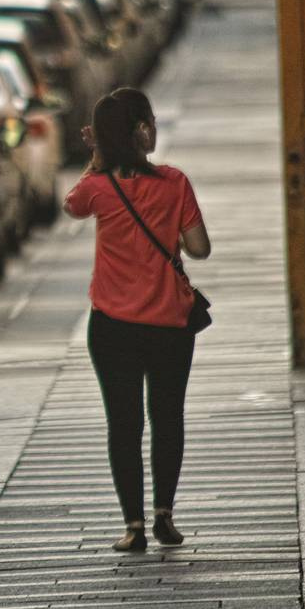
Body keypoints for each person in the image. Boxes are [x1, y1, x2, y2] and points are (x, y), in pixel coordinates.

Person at [63, 88, 212, 552]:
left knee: (123, 425)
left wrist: (98, 158)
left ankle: (133, 526)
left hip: (111, 326)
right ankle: (164, 514)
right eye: (149, 121)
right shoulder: (174, 182)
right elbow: (199, 248)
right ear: (142, 130)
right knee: (167, 418)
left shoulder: (97, 188)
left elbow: (72, 204)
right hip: (169, 324)